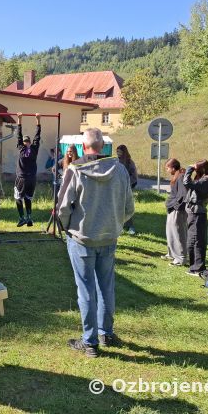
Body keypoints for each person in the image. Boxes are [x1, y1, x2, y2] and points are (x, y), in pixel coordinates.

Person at [58, 128, 134, 357]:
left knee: (86, 290)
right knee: (106, 287)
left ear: (84, 146)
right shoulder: (120, 169)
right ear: (102, 146)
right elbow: (129, 208)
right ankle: (106, 333)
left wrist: (68, 228)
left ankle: (90, 342)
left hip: (82, 238)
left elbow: (62, 207)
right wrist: (113, 225)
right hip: (108, 237)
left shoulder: (75, 169)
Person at [183, 159, 208, 276]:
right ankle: (194, 267)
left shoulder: (207, 180)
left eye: (196, 169)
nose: (195, 170)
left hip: (198, 213)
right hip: (194, 212)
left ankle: (198, 268)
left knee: (197, 241)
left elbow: (187, 182)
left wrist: (189, 169)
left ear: (202, 168)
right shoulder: (204, 179)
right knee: (192, 240)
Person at [14, 112, 41, 227]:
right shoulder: (34, 149)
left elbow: (18, 135)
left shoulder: (21, 148)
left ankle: (22, 218)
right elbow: (37, 136)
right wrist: (38, 120)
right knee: (28, 198)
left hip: (22, 178)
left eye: (24, 141)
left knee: (18, 197)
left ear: (23, 143)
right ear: (29, 142)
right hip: (32, 179)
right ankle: (29, 218)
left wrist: (19, 119)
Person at [163, 158, 188, 267]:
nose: (167, 170)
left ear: (173, 168)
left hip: (177, 210)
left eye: (167, 168)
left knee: (178, 233)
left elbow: (183, 194)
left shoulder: (181, 176)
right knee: (170, 232)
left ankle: (180, 258)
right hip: (172, 208)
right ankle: (172, 254)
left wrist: (176, 206)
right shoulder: (176, 176)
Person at [116, 145, 138, 235]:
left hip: (127, 188)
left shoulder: (129, 162)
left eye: (119, 152)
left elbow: (134, 176)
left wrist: (127, 184)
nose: (118, 153)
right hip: (118, 187)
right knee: (118, 207)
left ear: (124, 152)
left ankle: (131, 227)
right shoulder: (116, 161)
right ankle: (120, 226)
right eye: (117, 151)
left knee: (127, 207)